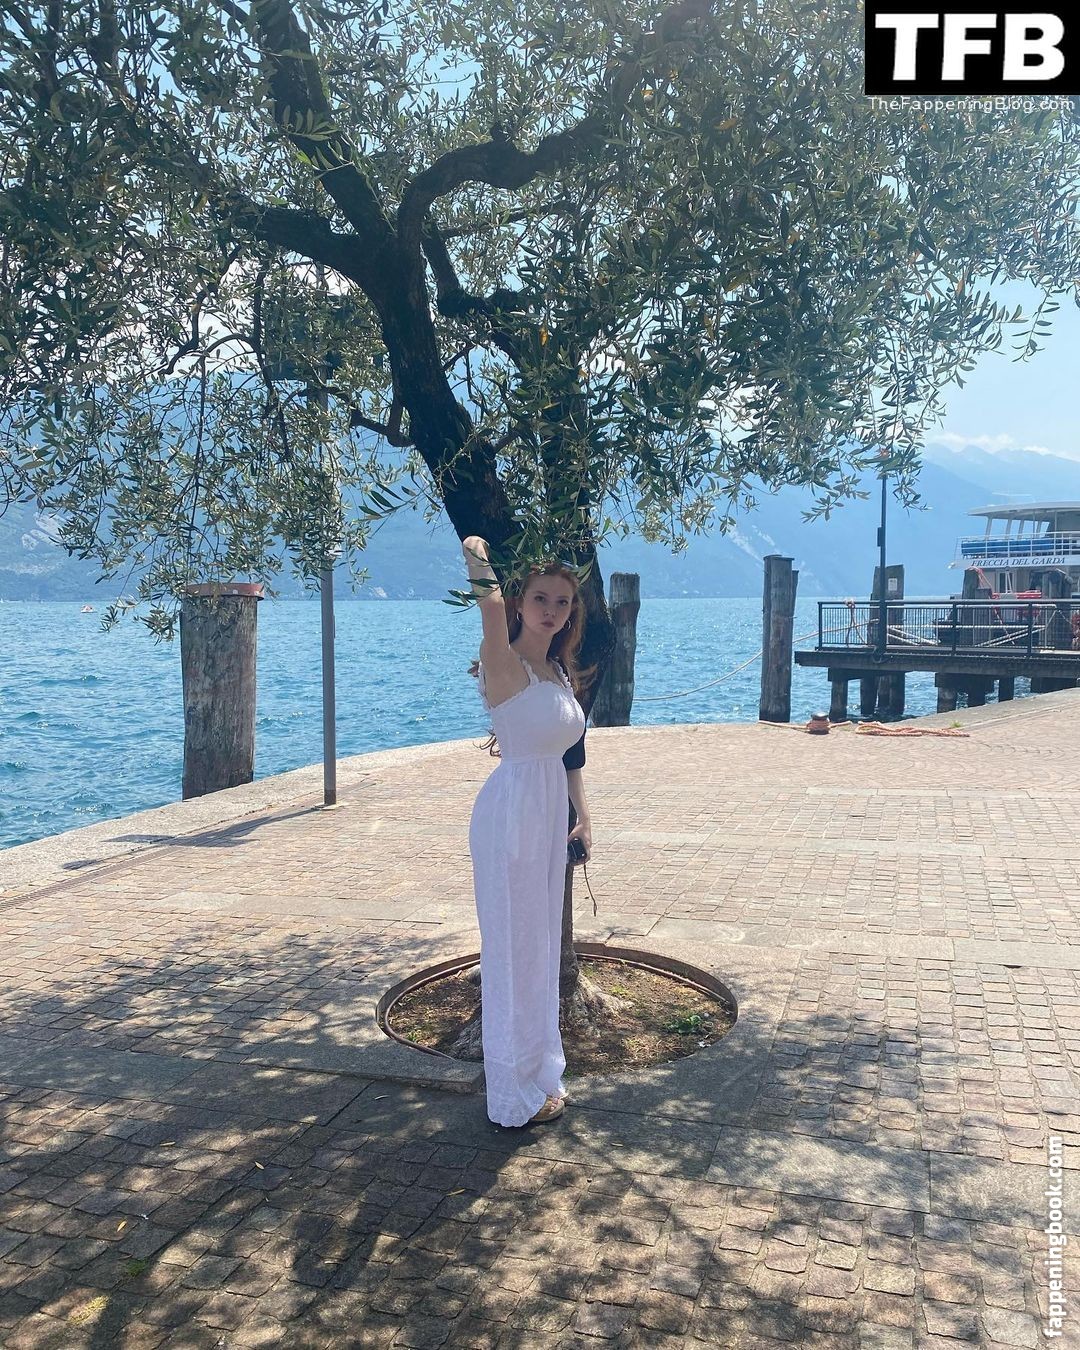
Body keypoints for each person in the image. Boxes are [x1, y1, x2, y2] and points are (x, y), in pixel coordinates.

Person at [462, 535, 592, 1128]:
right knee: (513, 949)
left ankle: (541, 1072)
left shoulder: (555, 669)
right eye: (540, 598)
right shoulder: (506, 662)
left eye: (562, 602)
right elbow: (490, 609)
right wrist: (476, 556)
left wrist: (581, 812)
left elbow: (569, 752)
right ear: (520, 602)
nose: (551, 610)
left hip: (545, 814)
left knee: (538, 947)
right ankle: (511, 1093)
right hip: (513, 814)